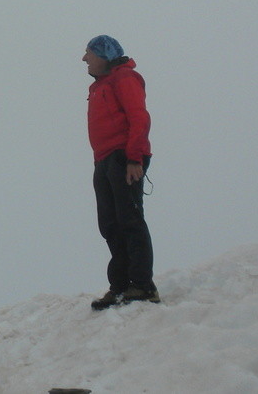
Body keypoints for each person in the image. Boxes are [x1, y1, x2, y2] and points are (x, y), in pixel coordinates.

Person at [83, 35, 159, 309]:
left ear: (104, 54)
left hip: (123, 156)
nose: (84, 59)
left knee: (129, 219)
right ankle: (120, 286)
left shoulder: (124, 78)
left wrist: (134, 158)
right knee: (110, 223)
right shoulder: (101, 84)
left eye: (89, 53)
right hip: (104, 159)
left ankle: (142, 285)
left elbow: (139, 117)